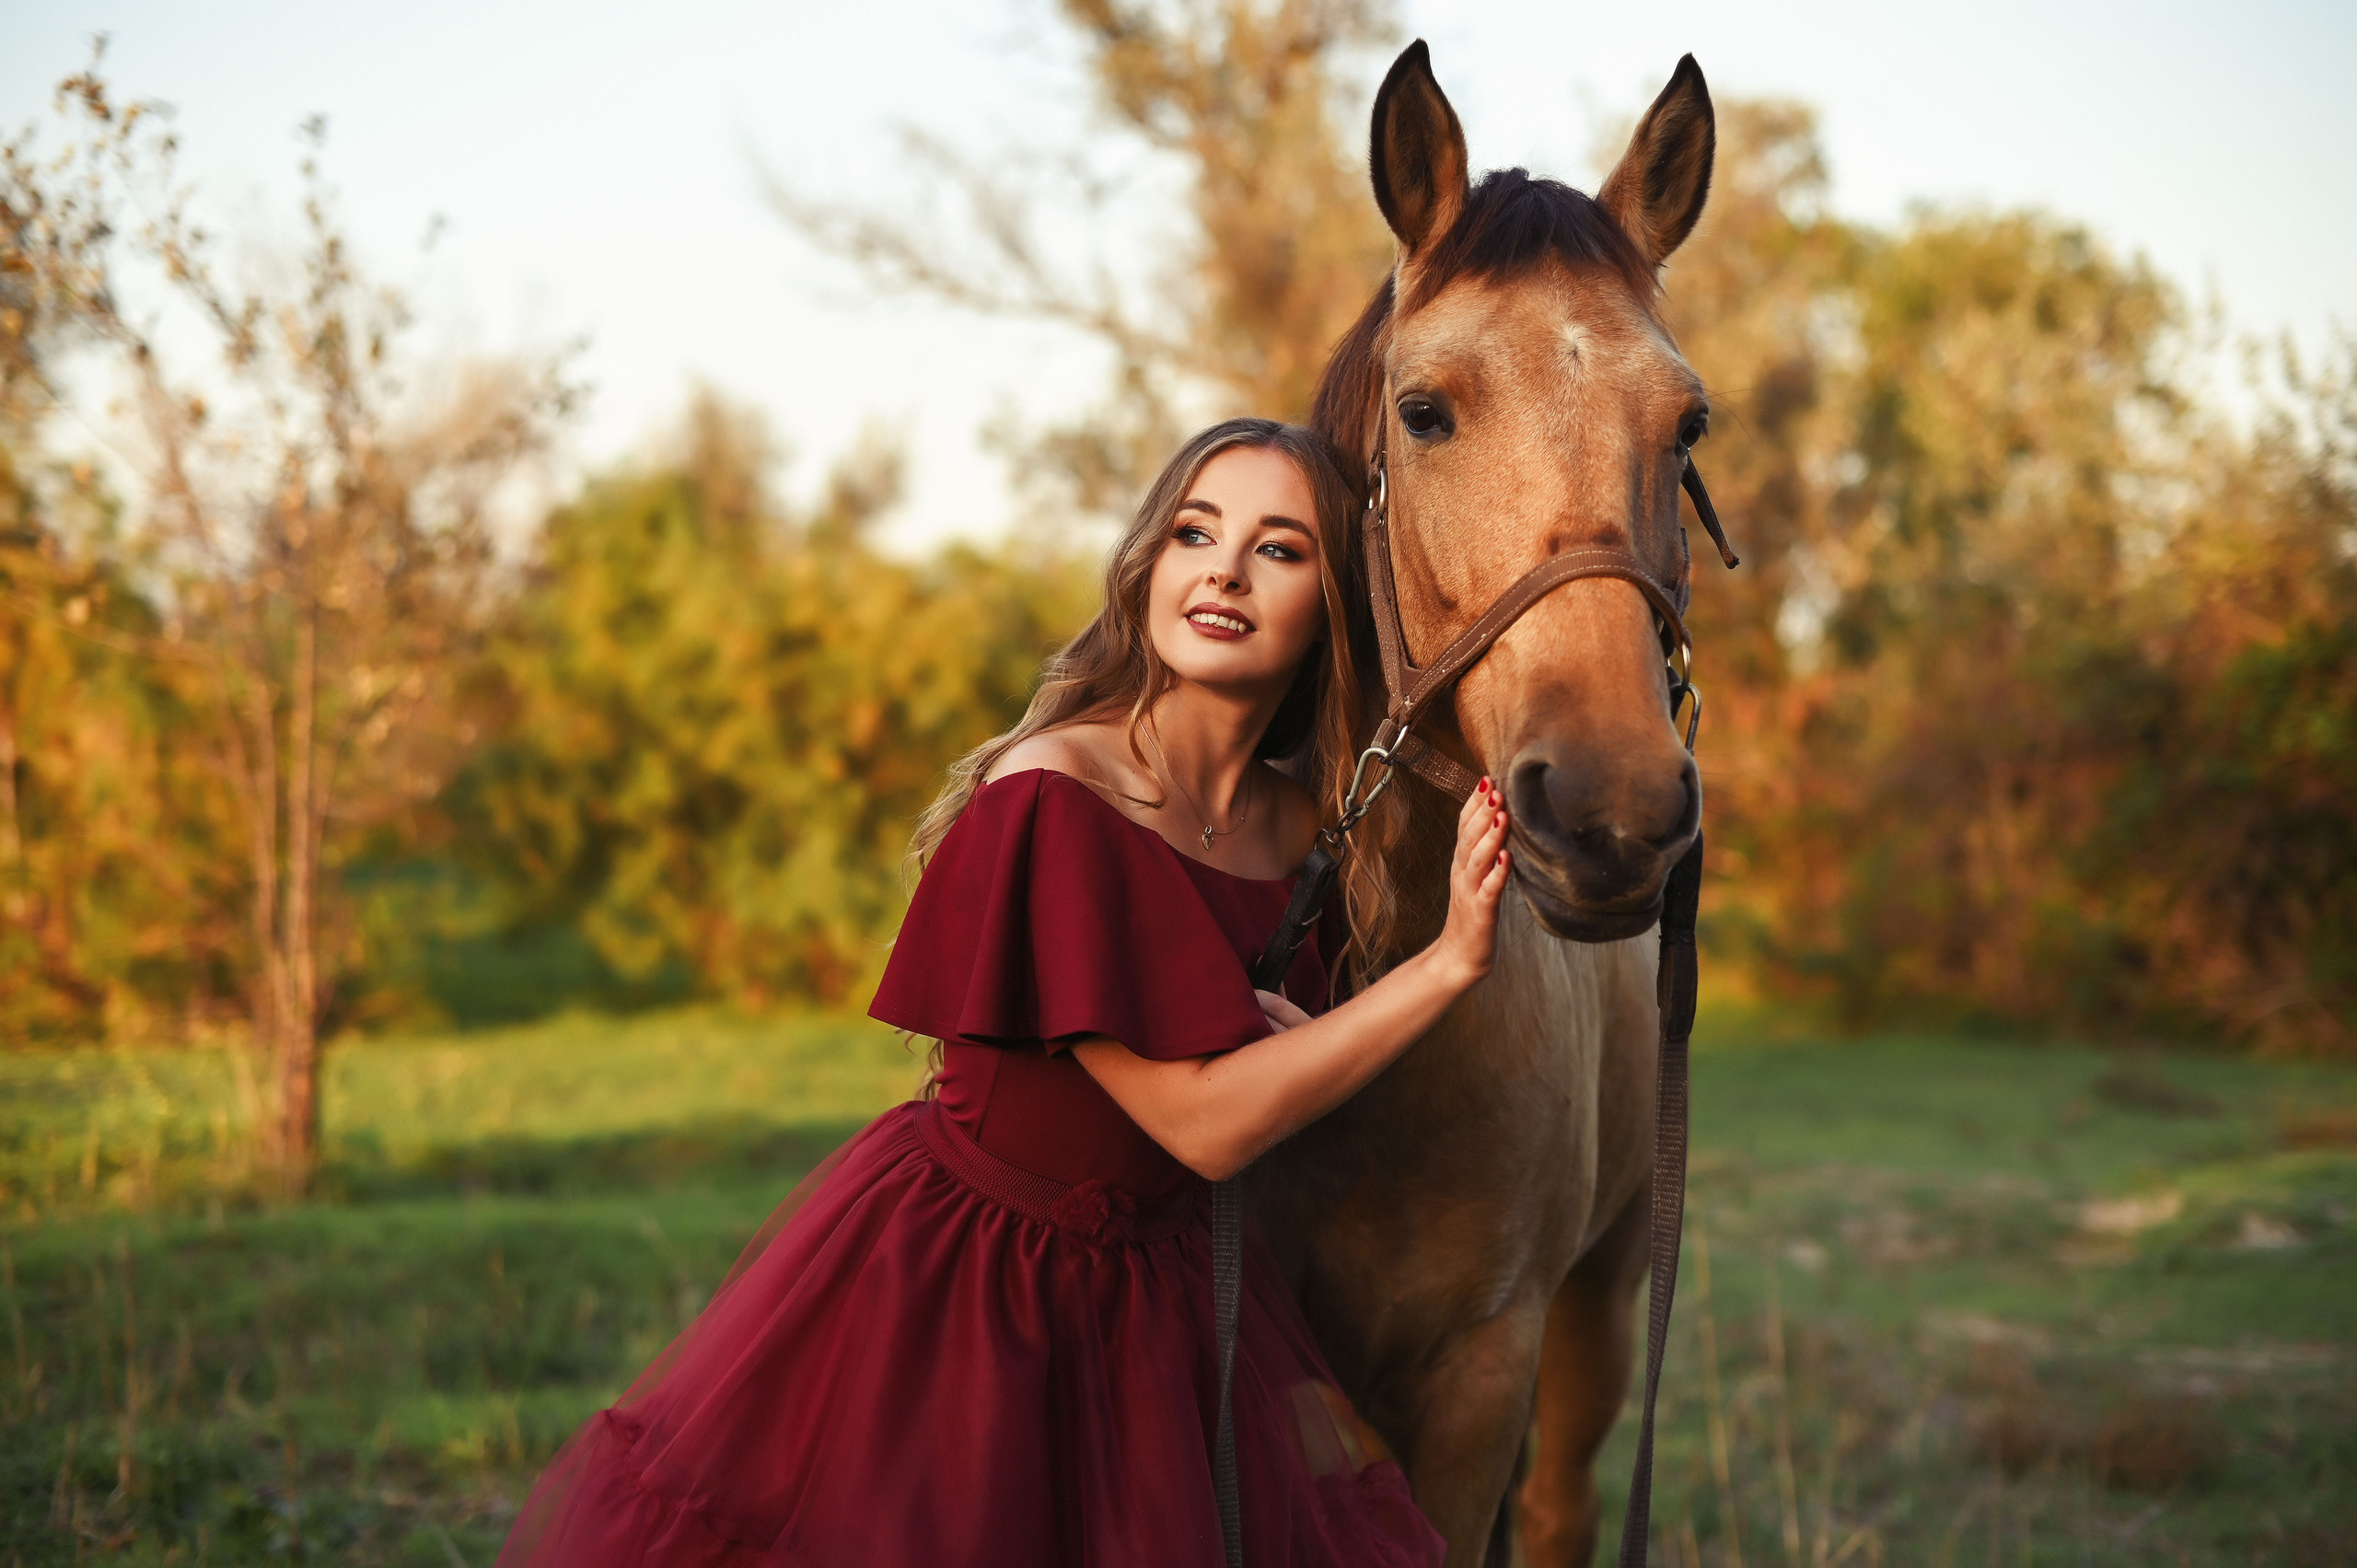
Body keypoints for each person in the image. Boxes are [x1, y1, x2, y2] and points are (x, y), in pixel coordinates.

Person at [494, 417, 1514, 1568]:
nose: (1223, 570)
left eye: (1279, 550)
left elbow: (1282, 1089)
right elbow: (1210, 1119)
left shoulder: (1298, 835)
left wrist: (1317, 1040)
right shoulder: (1055, 795)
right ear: (1148, 566)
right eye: (1194, 531)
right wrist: (1446, 964)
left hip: (1161, 1296)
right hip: (973, 1286)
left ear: (1332, 604)